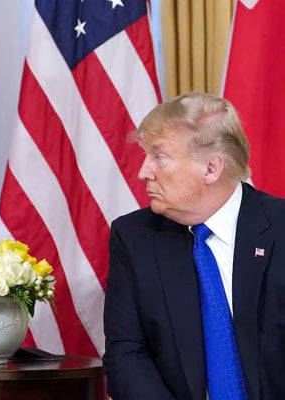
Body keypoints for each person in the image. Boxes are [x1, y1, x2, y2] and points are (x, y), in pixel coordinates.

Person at [103, 92, 285, 399]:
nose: (143, 172)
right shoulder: (134, 237)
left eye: (159, 157)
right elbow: (127, 354)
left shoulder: (279, 228)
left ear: (212, 169)